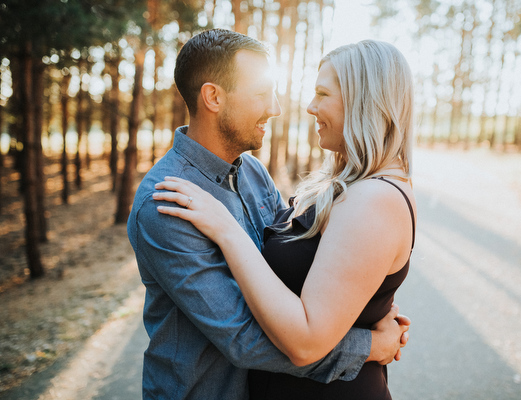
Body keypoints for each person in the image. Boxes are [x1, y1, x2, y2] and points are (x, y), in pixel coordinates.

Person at [127, 29, 410, 400]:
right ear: (213, 97)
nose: (276, 108)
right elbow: (244, 337)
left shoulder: (252, 172)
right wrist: (370, 345)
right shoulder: (166, 203)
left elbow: (293, 259)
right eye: (261, 94)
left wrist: (364, 300)